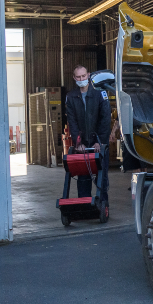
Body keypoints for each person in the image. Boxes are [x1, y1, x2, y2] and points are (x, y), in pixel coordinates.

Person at [65, 65, 111, 203]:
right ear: (74, 78)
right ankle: (84, 205)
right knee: (83, 176)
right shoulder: (71, 97)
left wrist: (100, 141)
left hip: (99, 142)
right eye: (78, 77)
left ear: (88, 75)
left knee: (101, 177)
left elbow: (105, 118)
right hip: (82, 144)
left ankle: (103, 205)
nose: (81, 79)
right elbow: (72, 122)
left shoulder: (100, 93)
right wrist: (78, 143)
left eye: (83, 76)